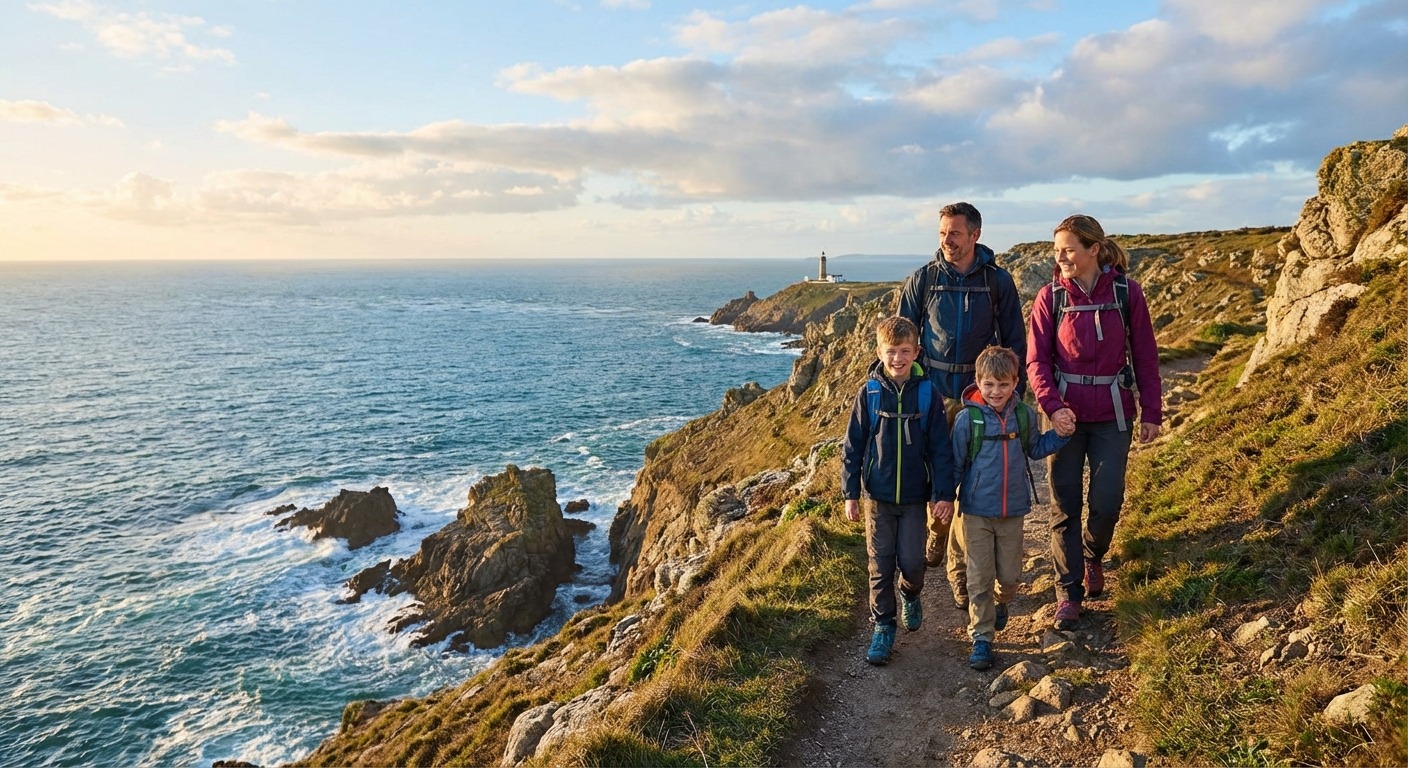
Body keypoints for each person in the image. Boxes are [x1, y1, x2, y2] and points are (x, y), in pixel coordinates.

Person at [1026, 214, 1162, 630]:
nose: (1061, 257)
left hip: (1113, 416)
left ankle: (1092, 555)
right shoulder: (1050, 297)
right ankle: (1068, 593)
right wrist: (1052, 406)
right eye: (1057, 251)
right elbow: (1036, 362)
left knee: (1107, 503)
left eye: (1068, 249)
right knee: (1064, 507)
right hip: (1065, 418)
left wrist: (1152, 412)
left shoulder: (1127, 293)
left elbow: (1145, 356)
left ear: (1093, 250)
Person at [897, 202, 1026, 612]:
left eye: (955, 233)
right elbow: (902, 337)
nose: (947, 241)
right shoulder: (924, 280)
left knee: (971, 489)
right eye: (942, 234)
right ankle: (938, 533)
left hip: (978, 400)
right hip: (933, 399)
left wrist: (1012, 395)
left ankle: (962, 571)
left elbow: (1014, 343)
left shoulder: (997, 282)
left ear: (975, 235)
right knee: (940, 481)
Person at [942, 346, 1071, 670]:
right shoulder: (966, 420)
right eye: (989, 385)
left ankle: (1002, 603)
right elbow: (955, 463)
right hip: (975, 512)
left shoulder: (1024, 415)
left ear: (1015, 382)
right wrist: (942, 496)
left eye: (1003, 384)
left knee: (1010, 578)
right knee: (979, 578)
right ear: (978, 382)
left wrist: (1060, 435)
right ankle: (981, 638)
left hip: (1013, 511)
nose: (995, 392)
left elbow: (1036, 449)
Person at [842, 316, 956, 665]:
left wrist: (943, 493)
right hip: (877, 497)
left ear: (917, 352)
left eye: (905, 351)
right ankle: (883, 628)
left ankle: (910, 593)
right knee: (880, 565)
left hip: (913, 498)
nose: (897, 359)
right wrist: (850, 493)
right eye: (891, 351)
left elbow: (940, 447)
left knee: (912, 563)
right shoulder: (870, 393)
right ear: (879, 352)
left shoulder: (927, 393)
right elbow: (853, 446)